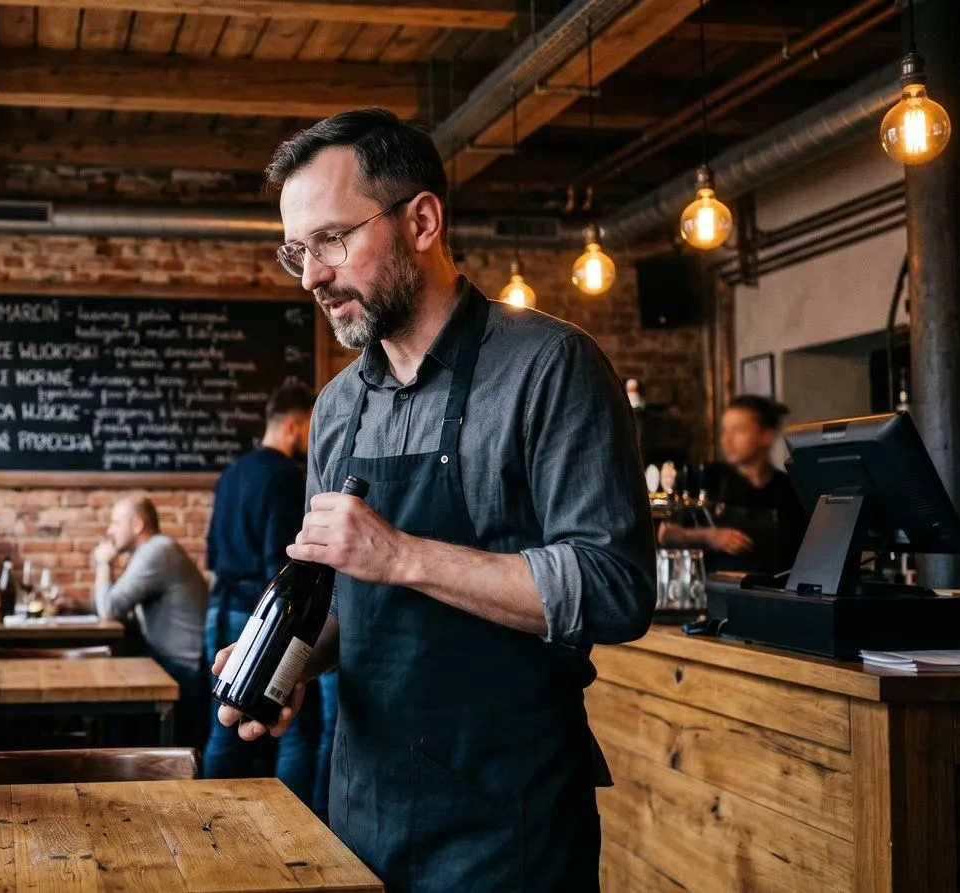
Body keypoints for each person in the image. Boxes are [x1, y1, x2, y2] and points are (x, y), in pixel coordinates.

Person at [216, 109, 655, 892]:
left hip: (508, 824)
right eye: (297, 251)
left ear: (421, 220)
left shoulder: (551, 368)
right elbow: (350, 608)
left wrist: (403, 553)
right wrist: (285, 667)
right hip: (360, 809)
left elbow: (614, 587)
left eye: (332, 240)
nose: (312, 274)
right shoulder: (337, 408)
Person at [203, 381, 324, 807]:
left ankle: (208, 822)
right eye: (310, 427)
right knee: (296, 732)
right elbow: (284, 566)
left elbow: (212, 553)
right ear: (294, 426)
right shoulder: (287, 479)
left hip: (218, 612)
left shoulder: (230, 474)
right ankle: (295, 832)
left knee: (223, 727)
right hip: (260, 621)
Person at [91, 495, 210, 745]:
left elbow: (109, 610)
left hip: (182, 669)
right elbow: (120, 606)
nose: (109, 530)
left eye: (115, 522)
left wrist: (103, 563)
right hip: (173, 663)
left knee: (112, 700)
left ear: (136, 524)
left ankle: (117, 769)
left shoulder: (157, 550)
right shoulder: (154, 549)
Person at [659, 395, 810, 575]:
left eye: (738, 430)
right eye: (724, 431)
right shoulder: (708, 478)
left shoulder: (791, 488)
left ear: (766, 436)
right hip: (715, 595)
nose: (727, 440)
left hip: (771, 596)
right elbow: (665, 535)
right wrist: (710, 537)